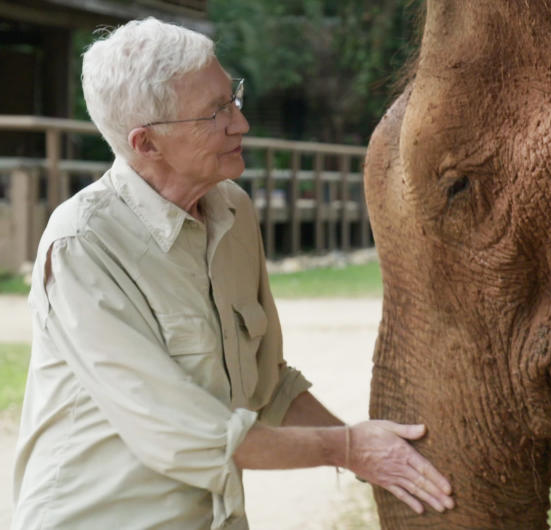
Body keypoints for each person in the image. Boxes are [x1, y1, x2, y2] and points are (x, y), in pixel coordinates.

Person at [12, 17, 453, 530]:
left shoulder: (232, 210)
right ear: (146, 144)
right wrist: (349, 448)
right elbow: (186, 437)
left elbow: (267, 385)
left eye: (232, 98)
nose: (239, 124)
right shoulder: (82, 246)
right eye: (213, 113)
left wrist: (373, 453)